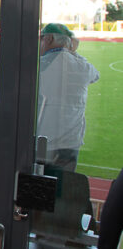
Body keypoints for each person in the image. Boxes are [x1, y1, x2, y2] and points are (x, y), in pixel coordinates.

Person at [36, 23, 99, 171]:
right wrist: (72, 51)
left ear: (49, 38)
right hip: (70, 143)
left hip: (44, 142)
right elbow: (95, 75)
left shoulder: (39, 65)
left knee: (37, 188)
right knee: (62, 189)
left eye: (42, 38)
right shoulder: (82, 67)